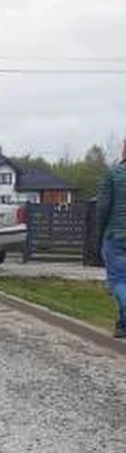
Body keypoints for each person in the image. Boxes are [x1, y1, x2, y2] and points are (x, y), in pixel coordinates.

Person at [96, 143, 126, 338]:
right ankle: (123, 325)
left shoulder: (113, 174)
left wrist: (99, 234)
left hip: (116, 235)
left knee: (119, 280)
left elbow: (103, 207)